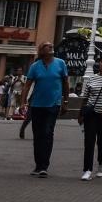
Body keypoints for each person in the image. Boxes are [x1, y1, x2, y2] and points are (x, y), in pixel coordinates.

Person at [23, 41, 70, 177]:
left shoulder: (60, 63)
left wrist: (65, 101)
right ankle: (38, 165)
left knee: (47, 132)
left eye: (51, 45)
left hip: (53, 104)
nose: (51, 47)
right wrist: (23, 102)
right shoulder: (35, 66)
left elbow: (66, 83)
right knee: (38, 135)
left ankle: (44, 166)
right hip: (37, 104)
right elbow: (27, 85)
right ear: (41, 51)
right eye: (47, 46)